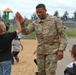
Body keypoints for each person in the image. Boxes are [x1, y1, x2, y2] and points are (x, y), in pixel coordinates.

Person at [15, 3, 67, 75]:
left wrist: (61, 50)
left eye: (40, 12)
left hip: (52, 51)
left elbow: (63, 35)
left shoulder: (55, 20)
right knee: (41, 73)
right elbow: (25, 32)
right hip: (40, 52)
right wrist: (22, 24)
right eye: (37, 13)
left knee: (50, 73)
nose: (38, 14)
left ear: (45, 10)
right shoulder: (35, 23)